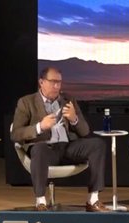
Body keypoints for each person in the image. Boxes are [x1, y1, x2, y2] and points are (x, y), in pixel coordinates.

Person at [11, 67, 107, 212]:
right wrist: (40, 127)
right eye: (53, 82)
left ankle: (93, 199)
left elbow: (85, 131)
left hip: (67, 148)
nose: (57, 86)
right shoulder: (26, 102)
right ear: (41, 82)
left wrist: (74, 119)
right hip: (46, 151)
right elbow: (16, 134)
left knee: (97, 144)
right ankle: (40, 201)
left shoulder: (68, 100)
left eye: (59, 83)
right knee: (39, 148)